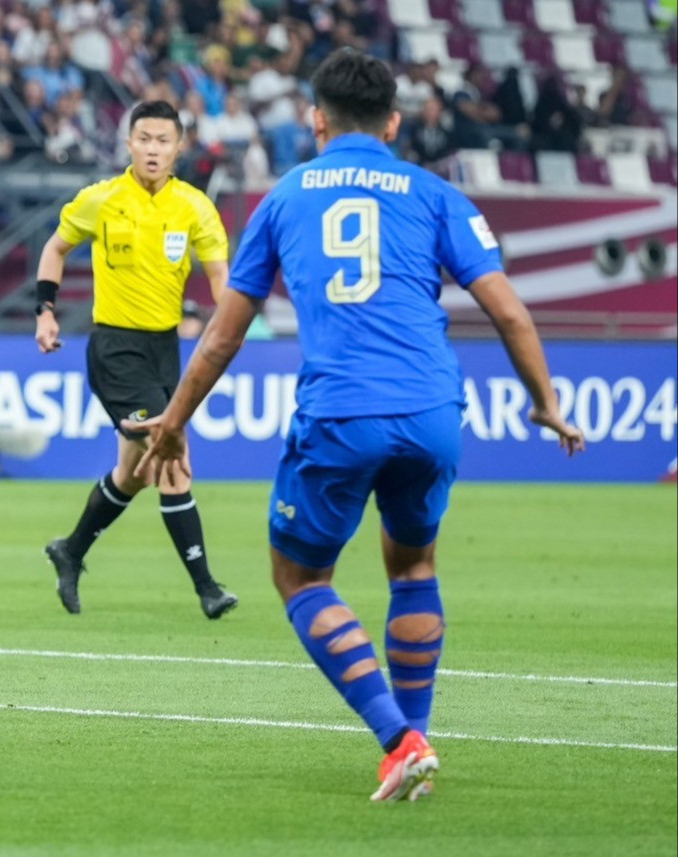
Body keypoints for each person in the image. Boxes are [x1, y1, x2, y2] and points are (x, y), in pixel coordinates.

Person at [126, 49, 586, 802]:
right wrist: (543, 401)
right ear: (394, 122)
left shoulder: (284, 196)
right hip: (433, 410)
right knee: (412, 566)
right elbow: (507, 309)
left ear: (315, 119)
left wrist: (174, 419)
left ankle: (398, 738)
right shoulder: (434, 193)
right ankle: (417, 741)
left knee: (299, 576)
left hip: (343, 411)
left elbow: (221, 335)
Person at [33, 100, 238, 621]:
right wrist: (46, 312)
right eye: (143, 138)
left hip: (165, 351)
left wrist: (227, 317)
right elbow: (55, 249)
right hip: (115, 348)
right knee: (173, 456)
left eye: (162, 140)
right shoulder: (101, 200)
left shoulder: (194, 208)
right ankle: (207, 587)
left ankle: (71, 549)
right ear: (128, 144)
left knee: (134, 472)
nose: (152, 149)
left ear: (178, 147)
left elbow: (220, 278)